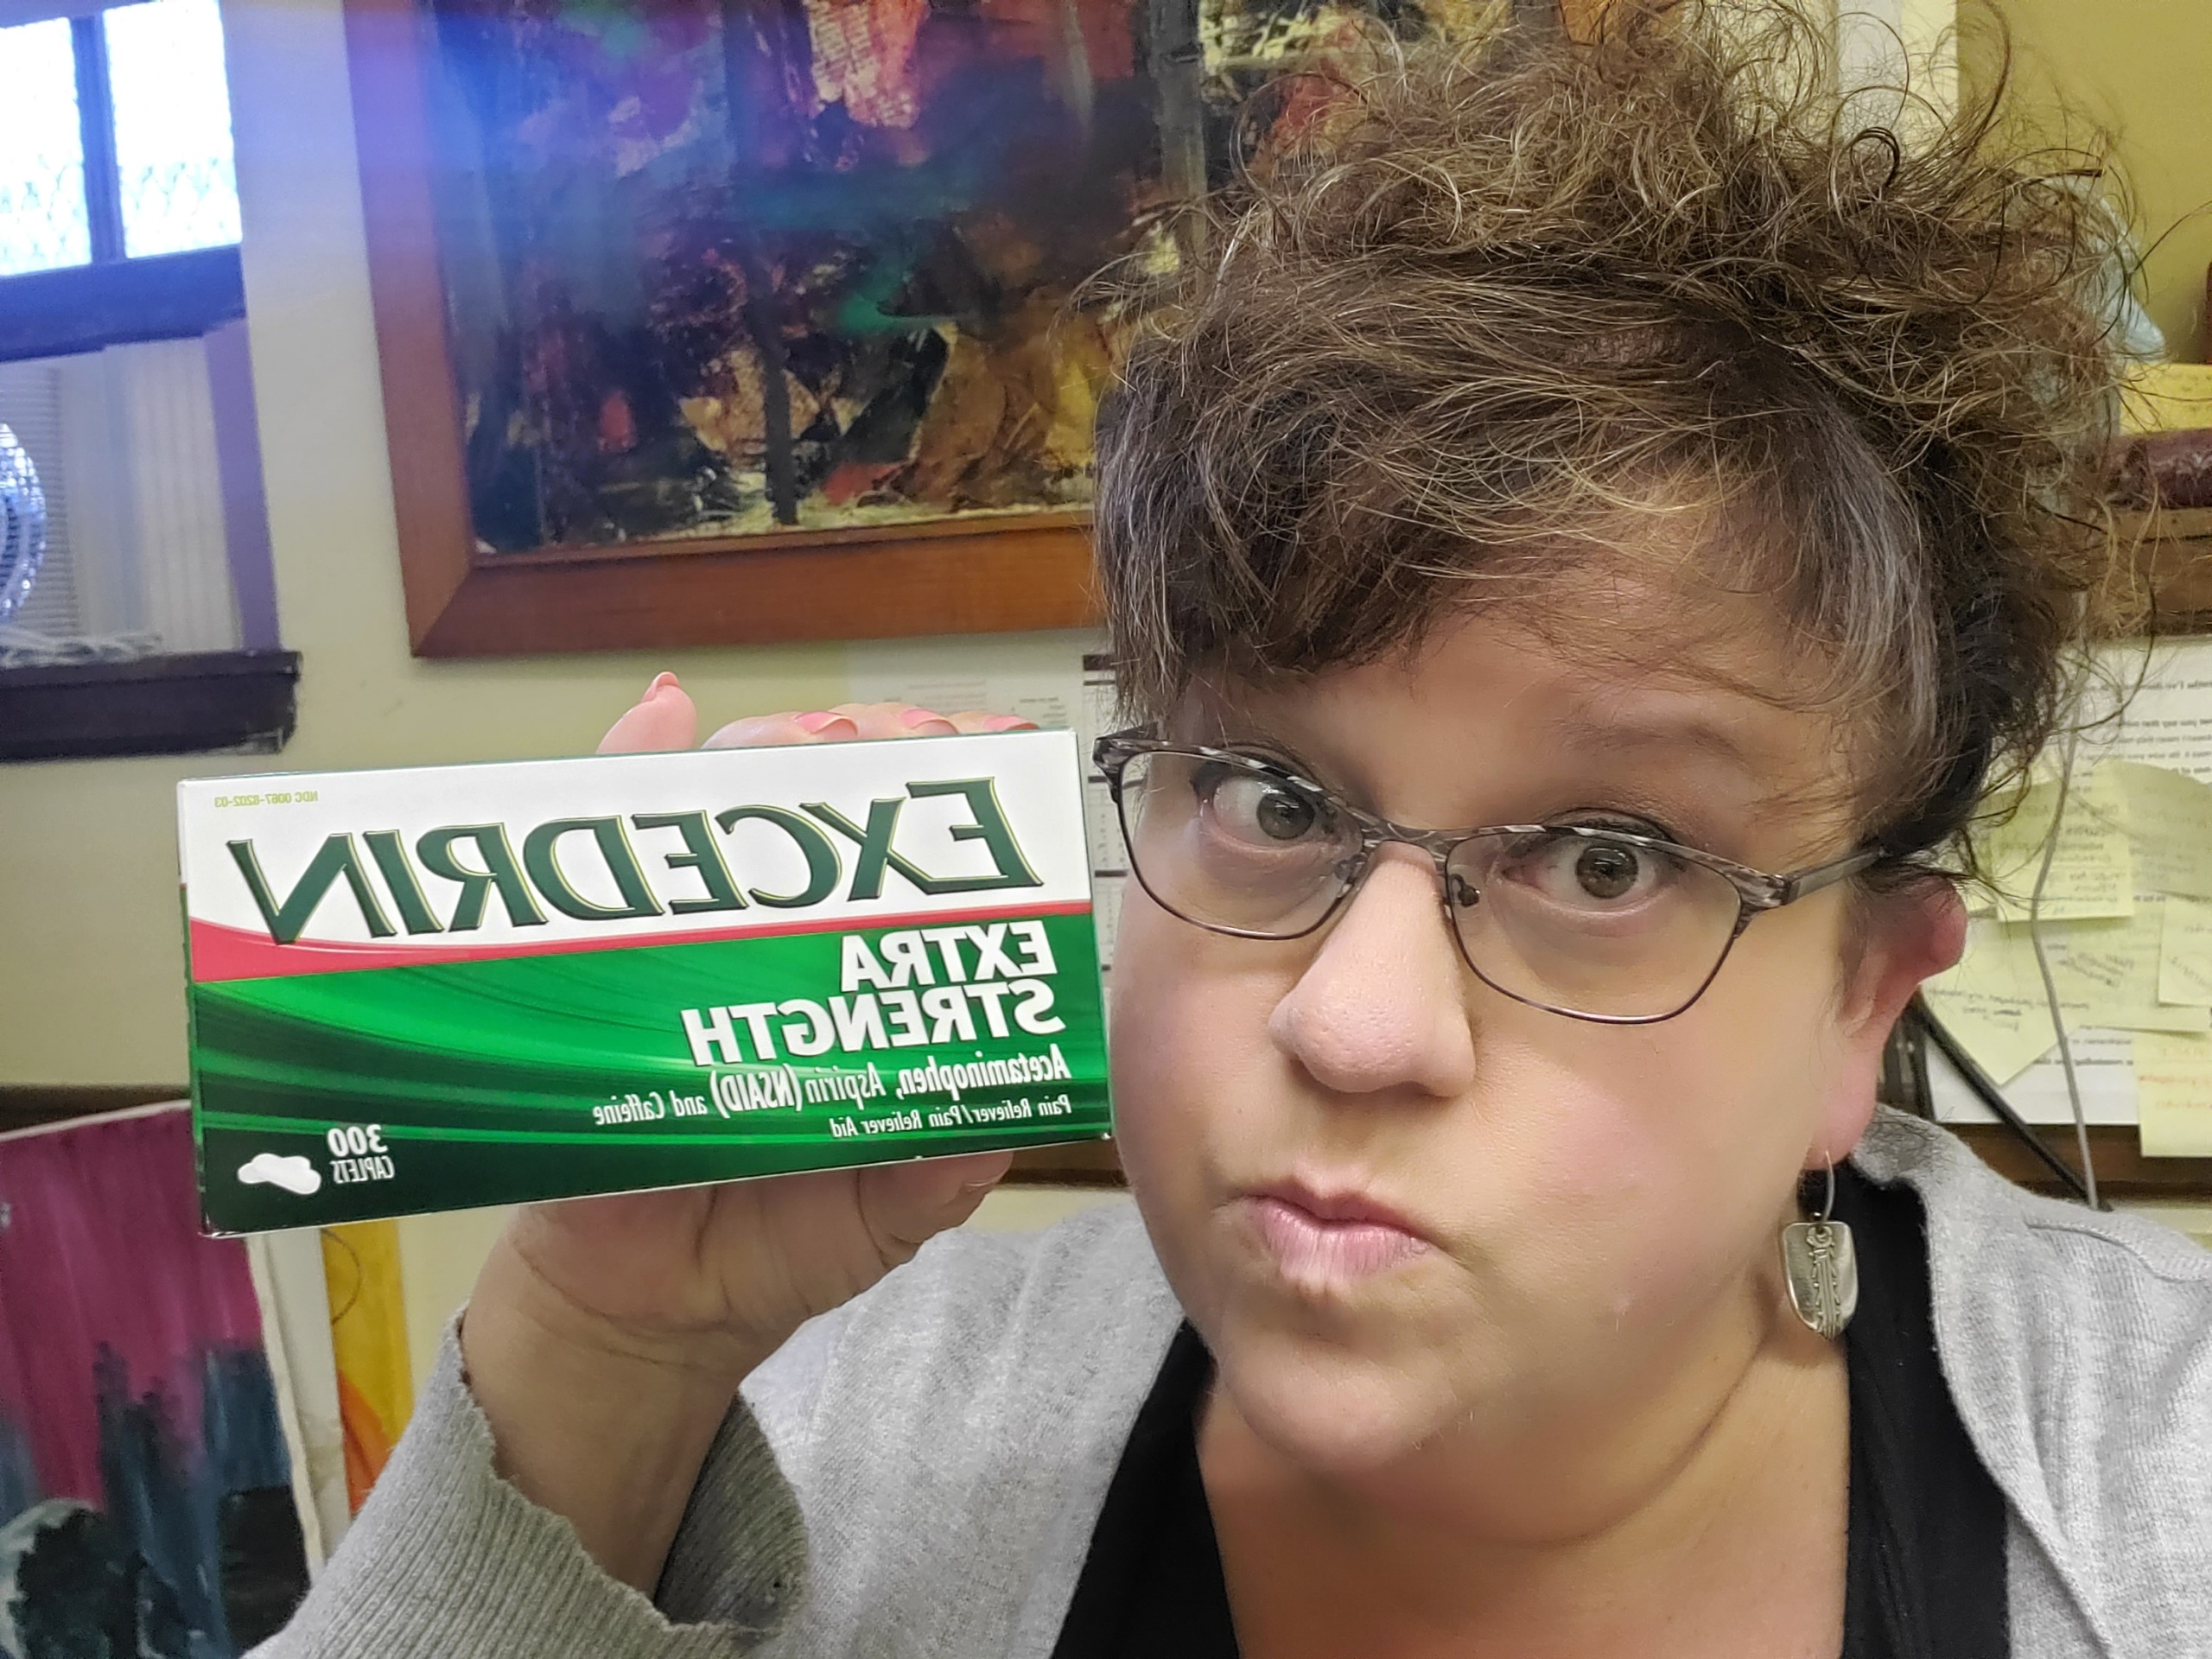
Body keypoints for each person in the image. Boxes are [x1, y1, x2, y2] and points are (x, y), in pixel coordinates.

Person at [262, 6, 2210, 1656]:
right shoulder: (847, 1430)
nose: (1350, 1024)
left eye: (1606, 860)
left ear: (1863, 1000)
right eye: (1271, 799)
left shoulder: (2160, 1495)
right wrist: (605, 1360)